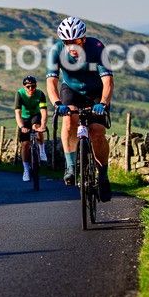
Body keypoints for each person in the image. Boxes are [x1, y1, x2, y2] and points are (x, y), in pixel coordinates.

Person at [46, 16, 114, 202]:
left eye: (76, 41)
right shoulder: (56, 51)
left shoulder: (97, 48)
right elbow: (51, 82)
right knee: (69, 119)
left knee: (97, 132)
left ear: (83, 39)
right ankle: (70, 167)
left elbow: (107, 81)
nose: (72, 46)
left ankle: (103, 175)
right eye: (67, 42)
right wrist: (57, 104)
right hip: (71, 90)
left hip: (95, 93)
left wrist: (104, 103)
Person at [14, 75, 48, 182]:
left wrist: (43, 125)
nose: (30, 89)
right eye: (28, 87)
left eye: (33, 86)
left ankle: (42, 151)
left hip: (35, 115)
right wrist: (22, 127)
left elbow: (43, 111)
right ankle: (26, 170)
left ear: (36, 86)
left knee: (37, 127)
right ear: (24, 87)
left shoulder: (40, 94)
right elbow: (17, 113)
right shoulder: (20, 94)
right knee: (25, 144)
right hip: (24, 117)